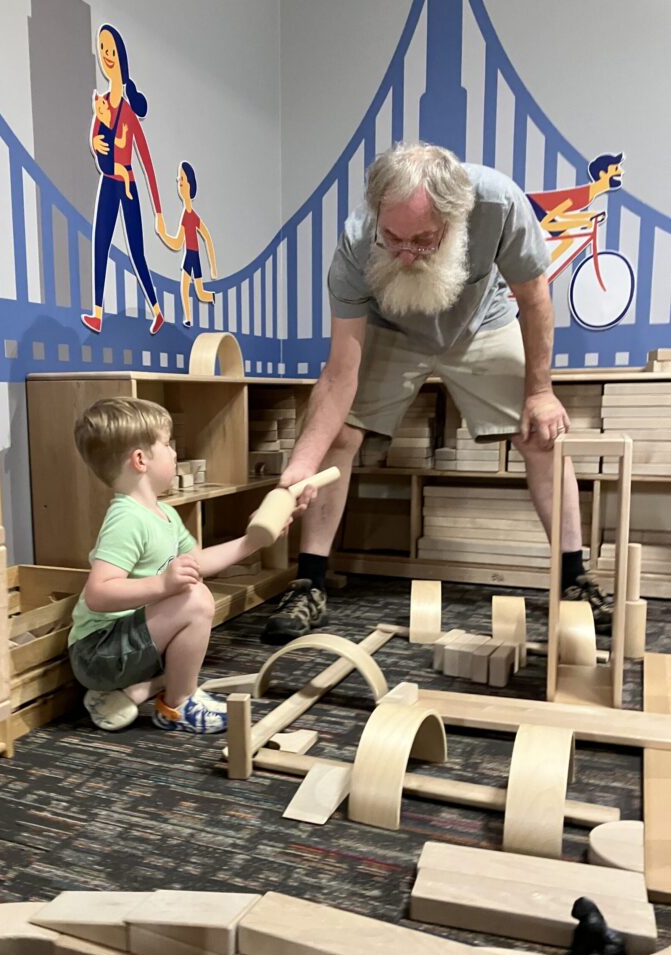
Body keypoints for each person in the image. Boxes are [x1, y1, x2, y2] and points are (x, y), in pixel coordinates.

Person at [262, 141, 612, 643]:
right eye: (393, 237)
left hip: (482, 323)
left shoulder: (498, 204)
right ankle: (309, 583)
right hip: (392, 328)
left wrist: (540, 391)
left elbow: (535, 301)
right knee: (338, 435)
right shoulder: (358, 243)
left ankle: (574, 577)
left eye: (423, 239)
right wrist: (300, 466)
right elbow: (340, 372)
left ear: (455, 219)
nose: (405, 252)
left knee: (541, 434)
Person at [68, 397, 264, 733]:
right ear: (141, 459)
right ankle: (178, 705)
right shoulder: (126, 518)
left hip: (126, 643)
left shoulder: (165, 513)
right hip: (99, 652)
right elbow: (98, 594)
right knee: (196, 598)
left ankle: (137, 691)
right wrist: (163, 584)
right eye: (167, 444)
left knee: (194, 594)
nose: (175, 452)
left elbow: (197, 562)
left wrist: (253, 541)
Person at [82, 24, 165, 336]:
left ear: (121, 57)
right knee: (100, 243)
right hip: (109, 180)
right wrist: (94, 143)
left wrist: (158, 211)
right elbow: (95, 137)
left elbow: (146, 162)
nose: (106, 56)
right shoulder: (101, 105)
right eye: (102, 49)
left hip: (127, 183)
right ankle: (98, 313)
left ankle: (156, 311)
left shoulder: (128, 113)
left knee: (137, 250)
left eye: (111, 50)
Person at [528, 152, 624, 265]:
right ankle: (540, 269)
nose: (621, 171)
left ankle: (541, 269)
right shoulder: (582, 195)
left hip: (535, 205)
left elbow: (562, 215)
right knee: (567, 240)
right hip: (532, 204)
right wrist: (583, 222)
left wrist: (588, 216)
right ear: (603, 174)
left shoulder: (588, 195)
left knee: (567, 240)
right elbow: (547, 222)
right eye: (616, 168)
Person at [157, 162, 217, 326]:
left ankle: (211, 297)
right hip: (190, 255)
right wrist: (162, 234)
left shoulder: (192, 216)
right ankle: (188, 318)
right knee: (184, 288)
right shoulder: (186, 214)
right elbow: (178, 243)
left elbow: (206, 238)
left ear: (190, 184)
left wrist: (213, 267)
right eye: (178, 179)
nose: (180, 183)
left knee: (199, 292)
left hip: (194, 255)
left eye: (182, 179)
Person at [92, 92, 134, 199]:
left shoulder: (106, 129)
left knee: (124, 173)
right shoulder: (105, 130)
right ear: (101, 110)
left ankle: (127, 190)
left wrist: (123, 133)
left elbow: (119, 143)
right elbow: (120, 143)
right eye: (104, 103)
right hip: (108, 166)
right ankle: (127, 191)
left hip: (107, 164)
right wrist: (94, 142)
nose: (107, 103)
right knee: (124, 173)